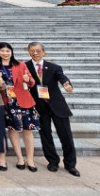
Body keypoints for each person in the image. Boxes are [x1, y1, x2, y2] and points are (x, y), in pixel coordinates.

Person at [25, 42, 79, 177]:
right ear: (28, 52)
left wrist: (67, 85)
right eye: (32, 51)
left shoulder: (54, 67)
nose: (35, 53)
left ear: (44, 52)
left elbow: (63, 78)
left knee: (65, 135)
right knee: (46, 136)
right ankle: (53, 161)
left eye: (38, 51)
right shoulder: (25, 67)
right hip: (39, 107)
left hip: (57, 106)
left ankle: (70, 164)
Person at [0, 42, 39, 172]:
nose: (5, 53)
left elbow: (32, 82)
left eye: (8, 51)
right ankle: (20, 158)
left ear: (11, 52)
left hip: (22, 100)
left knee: (27, 130)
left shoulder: (20, 64)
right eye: (2, 51)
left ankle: (30, 159)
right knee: (12, 130)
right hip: (5, 102)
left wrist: (28, 79)